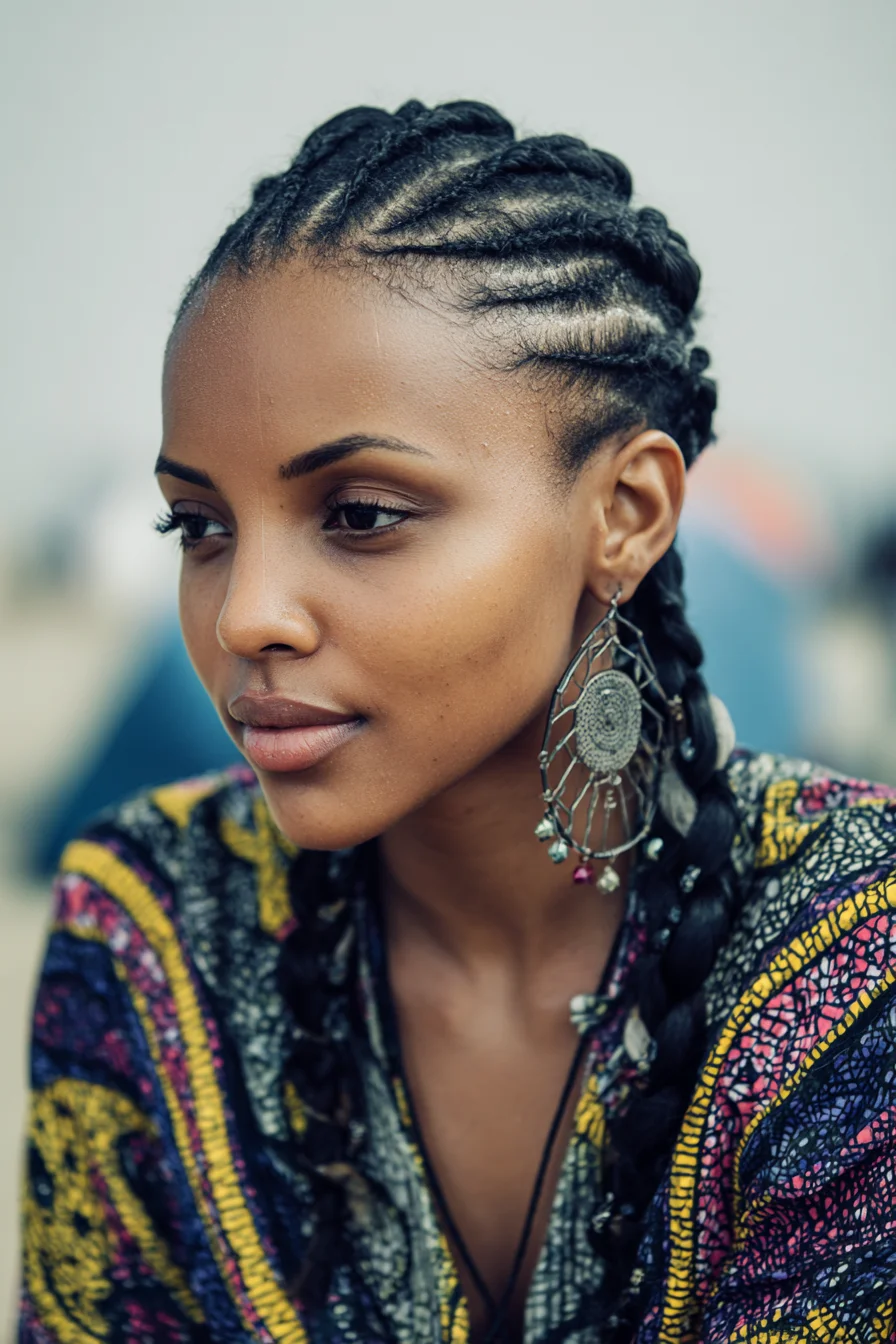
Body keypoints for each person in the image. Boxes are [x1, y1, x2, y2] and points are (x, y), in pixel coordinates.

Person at [18, 101, 896, 1344]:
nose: (243, 616)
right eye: (199, 526)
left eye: (363, 513)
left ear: (627, 516)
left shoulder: (856, 947)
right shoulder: (153, 920)